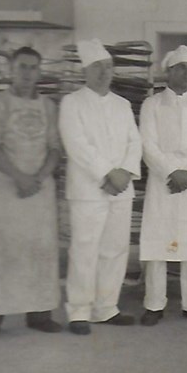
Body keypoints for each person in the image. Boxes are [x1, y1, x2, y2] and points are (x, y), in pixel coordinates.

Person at [0, 46, 62, 339]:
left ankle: (39, 314)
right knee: (0, 251)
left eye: (33, 67)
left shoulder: (49, 107)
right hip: (4, 189)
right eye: (22, 67)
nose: (27, 73)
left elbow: (54, 148)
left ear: (40, 72)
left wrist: (37, 177)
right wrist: (20, 177)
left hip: (38, 190)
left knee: (39, 250)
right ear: (11, 70)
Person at [58, 38, 142, 335]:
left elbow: (135, 142)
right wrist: (108, 173)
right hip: (87, 190)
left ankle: (106, 308)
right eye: (97, 67)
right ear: (85, 71)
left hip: (120, 189)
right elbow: (77, 145)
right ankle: (79, 310)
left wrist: (125, 172)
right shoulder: (72, 102)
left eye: (107, 67)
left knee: (115, 249)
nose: (104, 72)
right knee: (84, 249)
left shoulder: (122, 104)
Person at [138, 45, 187, 326]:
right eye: (180, 68)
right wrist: (172, 172)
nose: (186, 73)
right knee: (160, 242)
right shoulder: (152, 105)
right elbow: (148, 145)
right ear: (169, 71)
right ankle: (154, 303)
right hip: (164, 181)